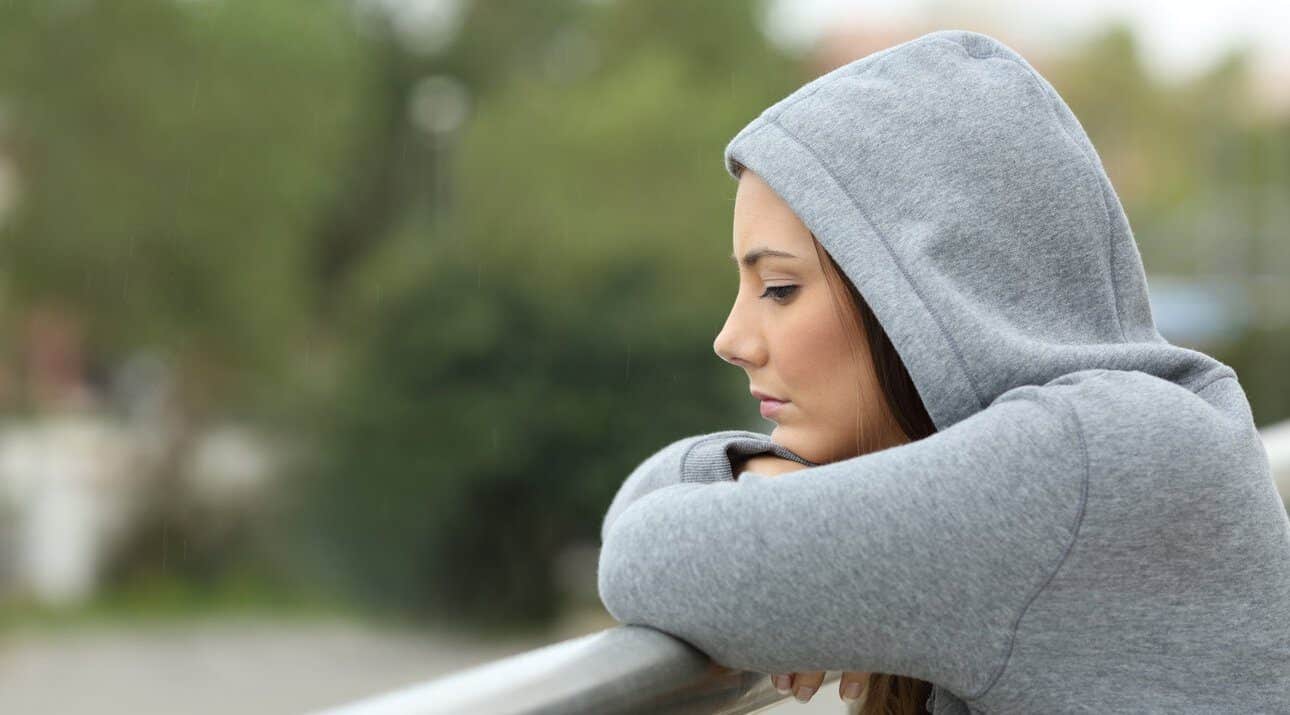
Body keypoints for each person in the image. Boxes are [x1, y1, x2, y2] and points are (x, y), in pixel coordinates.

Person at [596, 29, 1290, 714]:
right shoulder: (1117, 437)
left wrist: (760, 500)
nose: (731, 338)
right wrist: (756, 471)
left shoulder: (1086, 461)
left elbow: (640, 557)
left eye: (778, 288)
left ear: (924, 289)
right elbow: (636, 520)